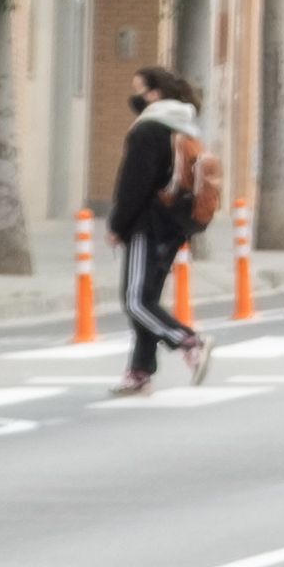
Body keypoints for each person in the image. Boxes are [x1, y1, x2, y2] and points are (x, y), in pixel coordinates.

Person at [107, 66, 211, 397]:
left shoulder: (149, 129)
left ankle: (188, 340)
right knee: (148, 299)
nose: (134, 96)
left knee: (136, 300)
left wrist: (117, 225)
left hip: (148, 225)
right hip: (175, 225)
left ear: (153, 94)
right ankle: (139, 372)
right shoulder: (183, 126)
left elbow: (133, 185)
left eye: (138, 89)